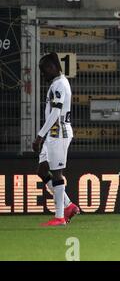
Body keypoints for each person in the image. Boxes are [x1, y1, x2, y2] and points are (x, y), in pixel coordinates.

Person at [32, 52, 79, 226]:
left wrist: (39, 136)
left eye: (44, 70)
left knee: (57, 174)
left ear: (52, 67)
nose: (43, 74)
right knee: (42, 171)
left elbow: (56, 112)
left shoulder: (59, 85)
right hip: (53, 133)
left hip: (58, 132)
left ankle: (60, 217)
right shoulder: (58, 83)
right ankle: (68, 205)